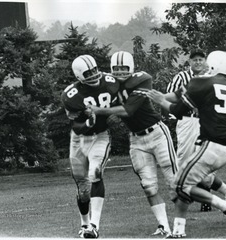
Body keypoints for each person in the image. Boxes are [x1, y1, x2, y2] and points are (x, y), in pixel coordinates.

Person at [142, 50, 226, 238]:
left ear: (211, 63)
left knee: (179, 187)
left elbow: (177, 110)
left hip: (210, 145)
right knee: (186, 181)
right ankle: (179, 230)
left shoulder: (201, 82)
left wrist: (160, 100)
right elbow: (184, 93)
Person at [87, 51, 178, 236]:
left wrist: (99, 110)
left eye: (124, 68)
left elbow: (128, 110)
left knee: (175, 183)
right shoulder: (108, 84)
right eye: (116, 69)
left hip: (157, 133)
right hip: (136, 139)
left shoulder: (142, 80)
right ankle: (164, 226)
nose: (120, 72)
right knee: (149, 185)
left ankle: (218, 206)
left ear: (132, 68)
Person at [61, 55, 120, 238]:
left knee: (95, 173)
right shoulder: (72, 95)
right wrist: (88, 123)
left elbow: (123, 104)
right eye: (89, 73)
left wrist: (116, 115)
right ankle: (85, 224)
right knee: (82, 188)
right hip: (78, 139)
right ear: (79, 76)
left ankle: (94, 225)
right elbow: (76, 127)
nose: (94, 75)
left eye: (95, 70)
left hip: (101, 136)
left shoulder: (111, 83)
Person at [166, 49, 213, 211]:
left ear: (205, 61)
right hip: (187, 119)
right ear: (189, 61)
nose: (198, 62)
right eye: (195, 60)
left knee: (203, 159)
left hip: (206, 120)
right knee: (184, 158)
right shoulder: (181, 77)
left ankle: (206, 198)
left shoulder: (211, 76)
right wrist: (173, 114)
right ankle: (185, 194)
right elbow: (171, 95)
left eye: (201, 59)